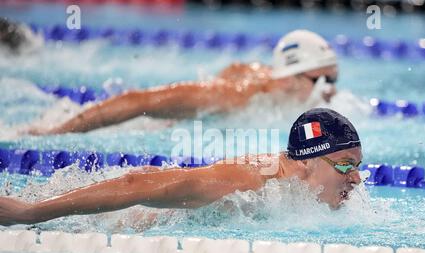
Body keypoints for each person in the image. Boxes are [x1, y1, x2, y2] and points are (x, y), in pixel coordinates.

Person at [0, 108, 362, 226]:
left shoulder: (296, 190)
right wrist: (31, 213)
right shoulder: (254, 177)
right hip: (106, 221)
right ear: (311, 160)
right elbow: (135, 185)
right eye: (347, 166)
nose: (357, 179)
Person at [28, 30, 338, 135]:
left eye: (334, 79)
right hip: (148, 124)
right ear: (293, 77)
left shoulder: (283, 98)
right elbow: (139, 102)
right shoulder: (236, 96)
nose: (331, 89)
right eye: (323, 79)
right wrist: (56, 132)